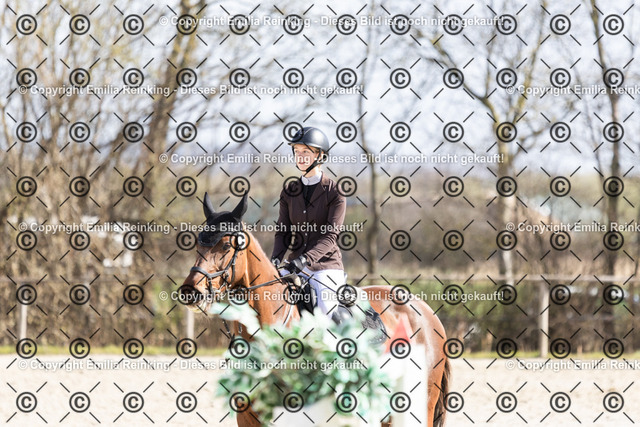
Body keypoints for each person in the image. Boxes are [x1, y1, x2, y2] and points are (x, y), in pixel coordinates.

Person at [271, 127, 347, 316]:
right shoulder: (289, 191)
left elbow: (330, 237)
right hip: (294, 266)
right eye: (297, 151)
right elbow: (283, 232)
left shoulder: (335, 192)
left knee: (326, 311)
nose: (300, 156)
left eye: (306, 151)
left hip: (325, 267)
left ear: (320, 155)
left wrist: (304, 259)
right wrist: (275, 260)